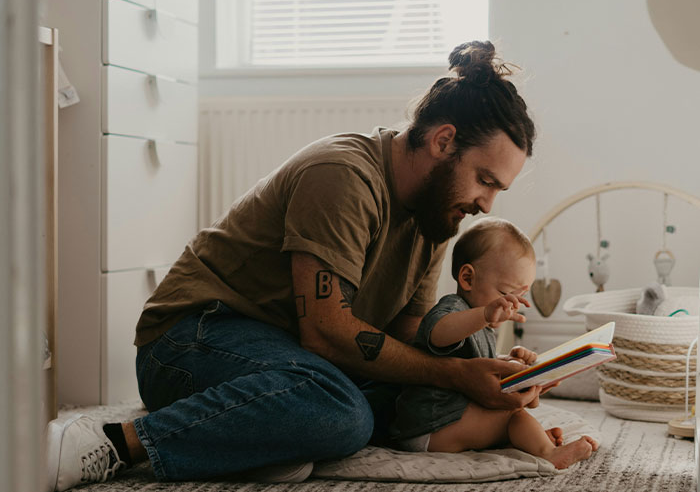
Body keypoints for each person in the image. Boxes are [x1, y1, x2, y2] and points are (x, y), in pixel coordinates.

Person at [45, 40, 541, 491]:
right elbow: (326, 334)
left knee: (411, 408)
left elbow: (406, 336)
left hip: (289, 358)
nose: (487, 204)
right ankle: (114, 441)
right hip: (189, 339)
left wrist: (488, 375)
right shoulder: (343, 174)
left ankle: (256, 442)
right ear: (443, 141)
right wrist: (454, 375)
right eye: (485, 180)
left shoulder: (434, 214)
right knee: (342, 413)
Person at [390, 217, 599, 469]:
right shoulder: (454, 309)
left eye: (520, 298)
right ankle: (547, 453)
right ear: (467, 278)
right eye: (504, 294)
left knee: (518, 411)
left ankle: (530, 440)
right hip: (428, 426)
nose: (510, 307)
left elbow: (481, 371)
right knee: (512, 417)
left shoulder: (484, 325)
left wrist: (526, 378)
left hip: (451, 420)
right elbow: (437, 333)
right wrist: (485, 315)